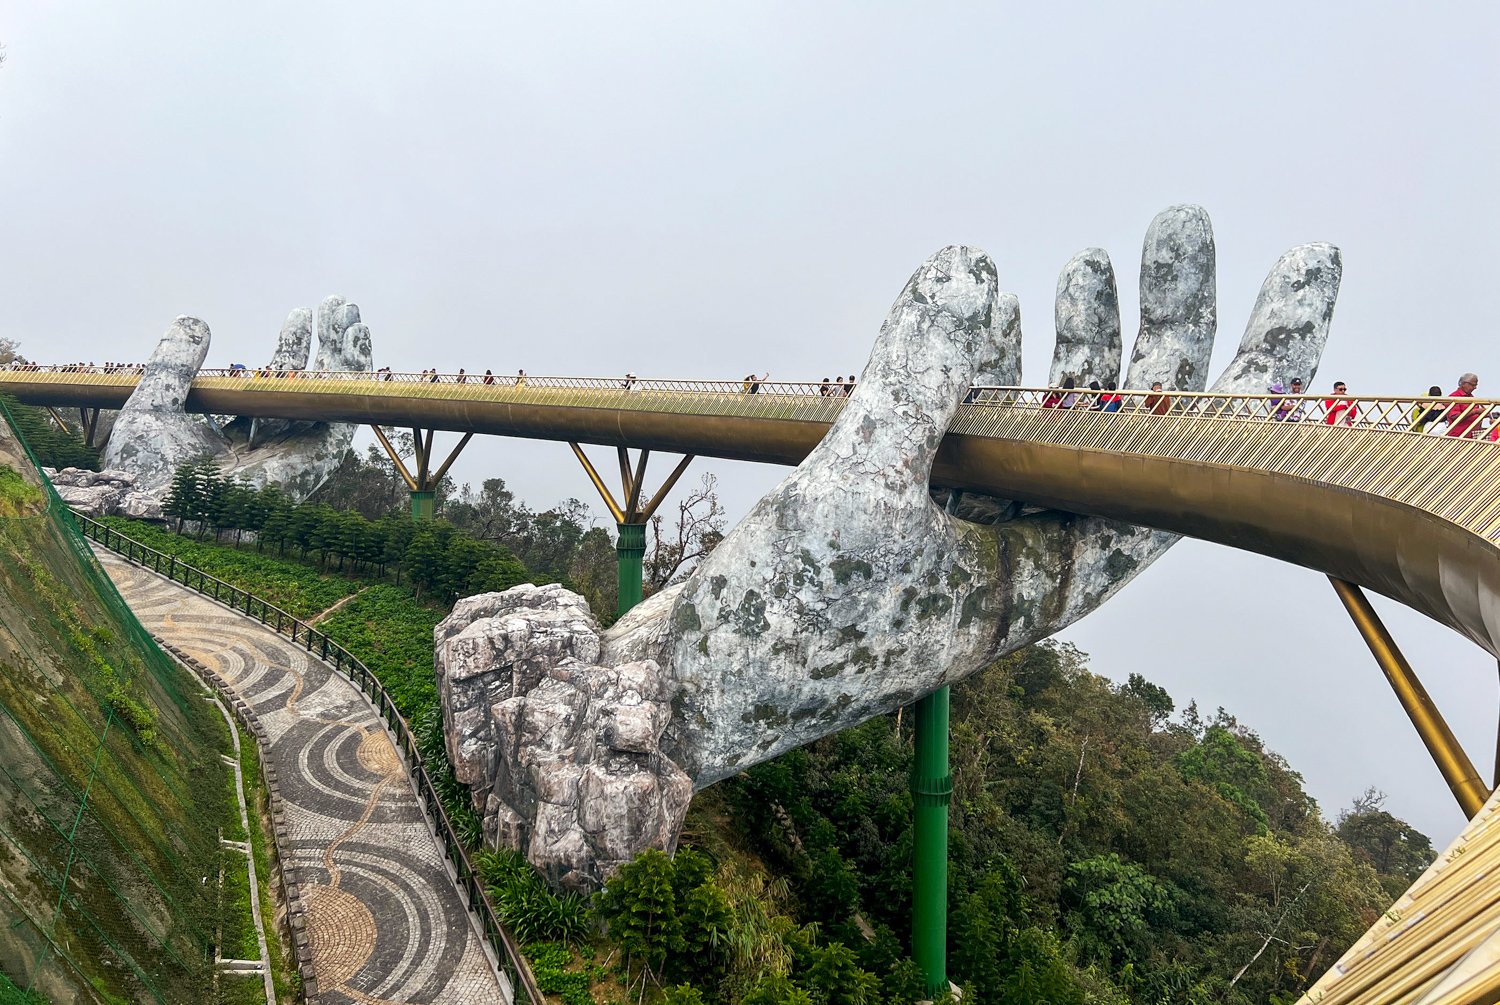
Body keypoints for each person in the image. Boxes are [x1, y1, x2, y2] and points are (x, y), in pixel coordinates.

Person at [1445, 373, 1483, 437]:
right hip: (1458, 436)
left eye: (1475, 385)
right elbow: (1455, 417)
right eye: (1473, 385)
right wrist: (1475, 411)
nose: (1475, 388)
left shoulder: (1471, 398)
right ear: (1463, 384)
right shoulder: (1454, 397)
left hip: (1472, 435)